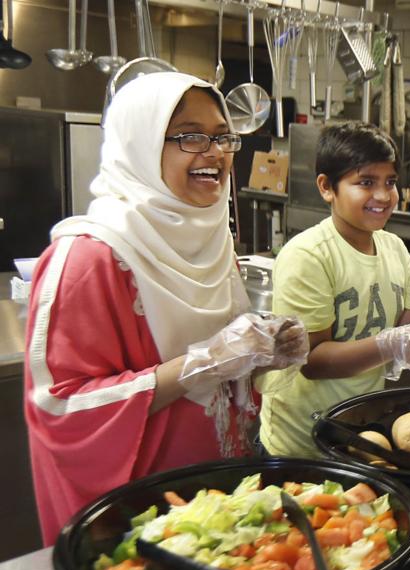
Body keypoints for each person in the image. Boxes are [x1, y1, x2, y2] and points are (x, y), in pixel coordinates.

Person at [24, 72, 307, 545]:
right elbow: (61, 404)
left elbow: (221, 375)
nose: (214, 152)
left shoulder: (215, 241)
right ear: (139, 144)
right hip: (141, 519)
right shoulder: (91, 258)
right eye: (189, 136)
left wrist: (259, 356)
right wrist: (202, 363)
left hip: (220, 501)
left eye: (222, 136)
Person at [260, 122, 410, 457]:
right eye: (366, 182)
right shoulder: (309, 255)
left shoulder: (394, 249)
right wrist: (390, 344)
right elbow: (314, 361)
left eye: (390, 182)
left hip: (359, 433)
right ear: (327, 187)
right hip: (300, 444)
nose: (383, 196)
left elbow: (407, 327)